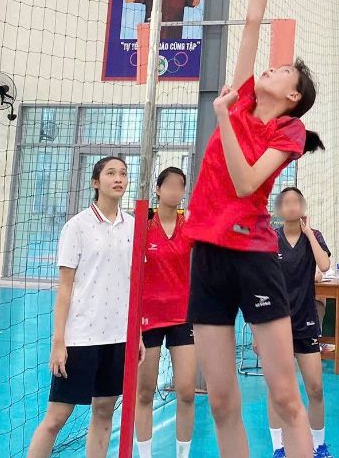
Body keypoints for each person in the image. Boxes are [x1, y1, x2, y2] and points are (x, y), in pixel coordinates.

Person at [183, 0, 324, 458]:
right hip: (208, 255)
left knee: (285, 396)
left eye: (283, 69)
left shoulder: (288, 129)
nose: (271, 67)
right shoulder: (241, 96)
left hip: (254, 259)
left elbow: (245, 184)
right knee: (221, 399)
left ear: (292, 95)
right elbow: (251, 23)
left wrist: (221, 117)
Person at [27, 156, 143, 458]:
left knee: (104, 412)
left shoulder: (133, 226)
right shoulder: (76, 227)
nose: (118, 178)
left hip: (117, 336)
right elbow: (65, 287)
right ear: (96, 182)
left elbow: (134, 283)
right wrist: (58, 341)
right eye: (110, 173)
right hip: (81, 337)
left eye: (123, 173)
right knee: (56, 419)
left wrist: (137, 333)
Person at [267, 187, 333, 458]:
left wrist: (309, 234)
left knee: (315, 388)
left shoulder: (313, 236)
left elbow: (325, 265)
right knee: (277, 390)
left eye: (297, 202)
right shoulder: (271, 238)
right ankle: (278, 448)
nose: (293, 206)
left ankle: (319, 446)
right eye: (287, 202)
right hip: (276, 324)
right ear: (280, 209)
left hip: (306, 320)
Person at [135, 167, 196, 458]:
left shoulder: (190, 224)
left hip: (183, 315)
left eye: (180, 186)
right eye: (169, 185)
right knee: (145, 392)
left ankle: (182, 455)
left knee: (185, 391)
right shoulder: (144, 224)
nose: (174, 190)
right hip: (149, 317)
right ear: (158, 190)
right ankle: (144, 454)